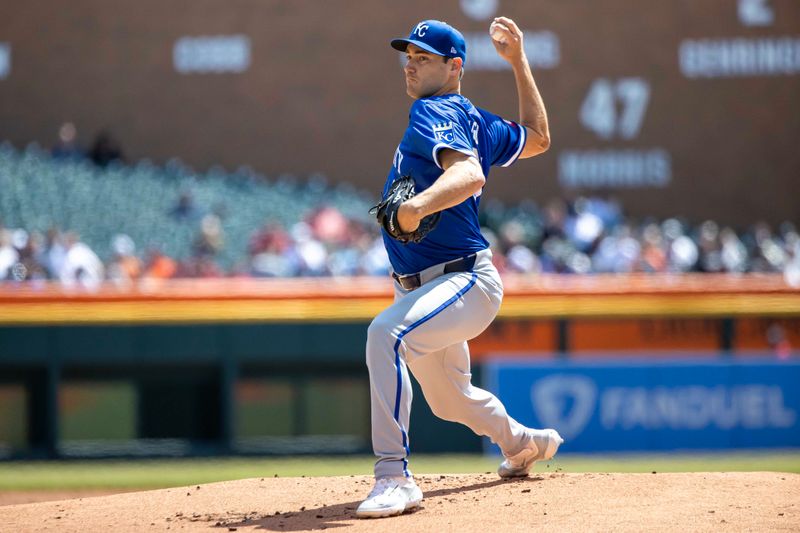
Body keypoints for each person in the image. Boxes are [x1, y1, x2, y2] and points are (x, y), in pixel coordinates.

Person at [356, 17, 563, 519]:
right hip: (431, 287)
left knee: (386, 337)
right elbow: (537, 137)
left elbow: (468, 175)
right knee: (451, 399)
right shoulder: (476, 120)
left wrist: (415, 207)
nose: (410, 65)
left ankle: (393, 477)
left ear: (454, 67)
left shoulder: (433, 109)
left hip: (463, 279)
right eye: (408, 55)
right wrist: (519, 63)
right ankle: (523, 443)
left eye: (422, 58)